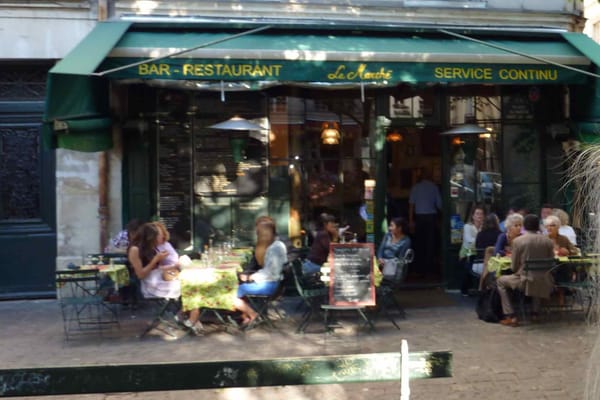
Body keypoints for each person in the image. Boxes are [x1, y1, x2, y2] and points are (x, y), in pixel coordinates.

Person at [127, 223, 203, 336]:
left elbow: (158, 268)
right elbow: (140, 275)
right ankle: (191, 318)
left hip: (160, 277)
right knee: (191, 287)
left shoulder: (151, 247)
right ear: (149, 237)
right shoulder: (134, 249)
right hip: (151, 284)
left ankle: (187, 316)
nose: (159, 239)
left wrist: (173, 265)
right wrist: (155, 259)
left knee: (195, 283)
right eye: (157, 236)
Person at [497, 214, 555, 327]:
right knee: (538, 277)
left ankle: (511, 316)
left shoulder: (518, 241)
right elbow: (551, 261)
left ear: (524, 226)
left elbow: (513, 267)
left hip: (524, 280)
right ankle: (535, 313)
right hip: (545, 280)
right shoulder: (548, 241)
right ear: (538, 226)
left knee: (500, 281)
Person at [235, 218, 287, 327]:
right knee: (238, 287)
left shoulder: (275, 248)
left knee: (230, 293)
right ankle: (245, 316)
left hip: (270, 285)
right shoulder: (275, 245)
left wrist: (251, 277)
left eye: (258, 231)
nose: (256, 234)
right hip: (272, 282)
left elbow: (271, 273)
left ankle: (252, 315)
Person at [408, 166, 441, 277]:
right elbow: (440, 205)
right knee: (430, 243)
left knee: (419, 243)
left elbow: (411, 206)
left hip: (420, 218)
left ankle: (419, 268)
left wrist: (411, 221)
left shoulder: (416, 187)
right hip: (431, 217)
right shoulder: (434, 187)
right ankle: (429, 269)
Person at [458, 205, 485, 295]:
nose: (479, 216)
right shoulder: (467, 226)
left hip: (480, 254)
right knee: (468, 267)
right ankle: (464, 289)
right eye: (477, 214)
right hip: (468, 253)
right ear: (473, 216)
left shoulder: (484, 228)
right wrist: (480, 239)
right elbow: (468, 241)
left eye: (481, 214)